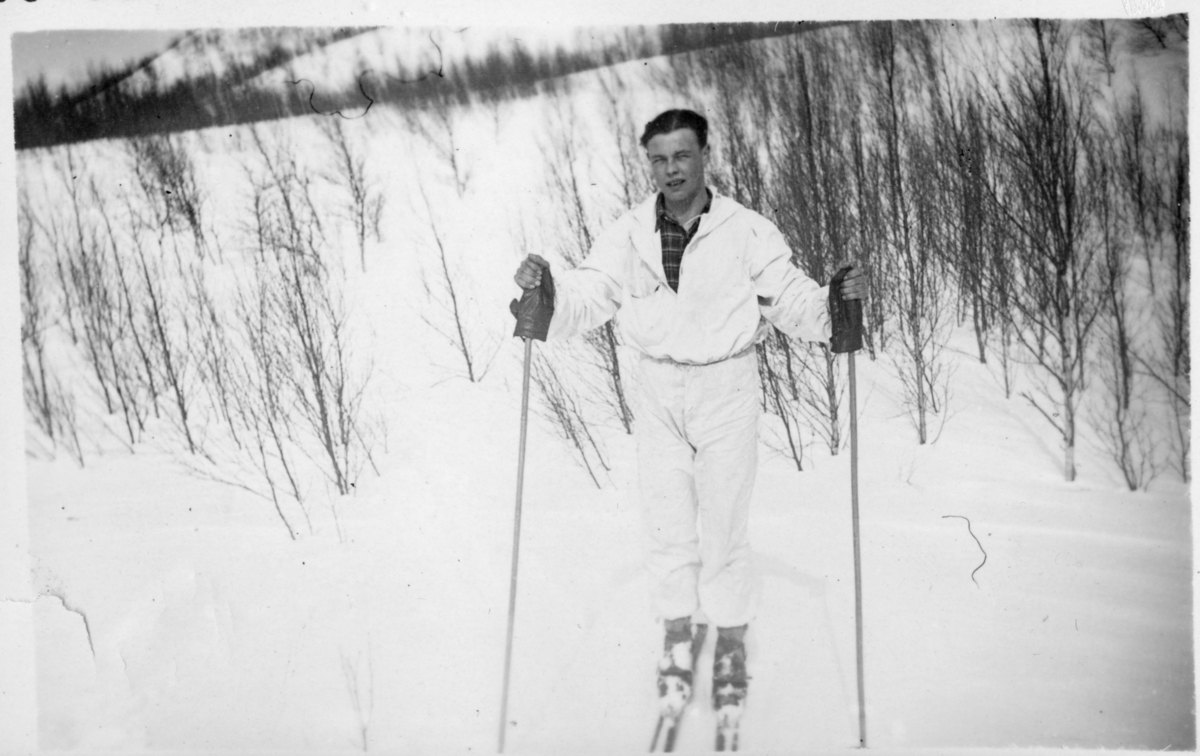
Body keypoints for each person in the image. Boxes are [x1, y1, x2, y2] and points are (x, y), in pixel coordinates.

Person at [513, 108, 867, 733]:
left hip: (725, 387)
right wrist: (548, 296)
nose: (670, 169)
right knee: (669, 524)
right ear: (647, 164)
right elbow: (589, 295)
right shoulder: (626, 234)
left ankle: (729, 640)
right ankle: (679, 636)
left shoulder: (747, 230)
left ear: (704, 155)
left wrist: (834, 304)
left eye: (681, 155)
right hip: (654, 390)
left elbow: (790, 298)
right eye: (657, 158)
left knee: (724, 525)